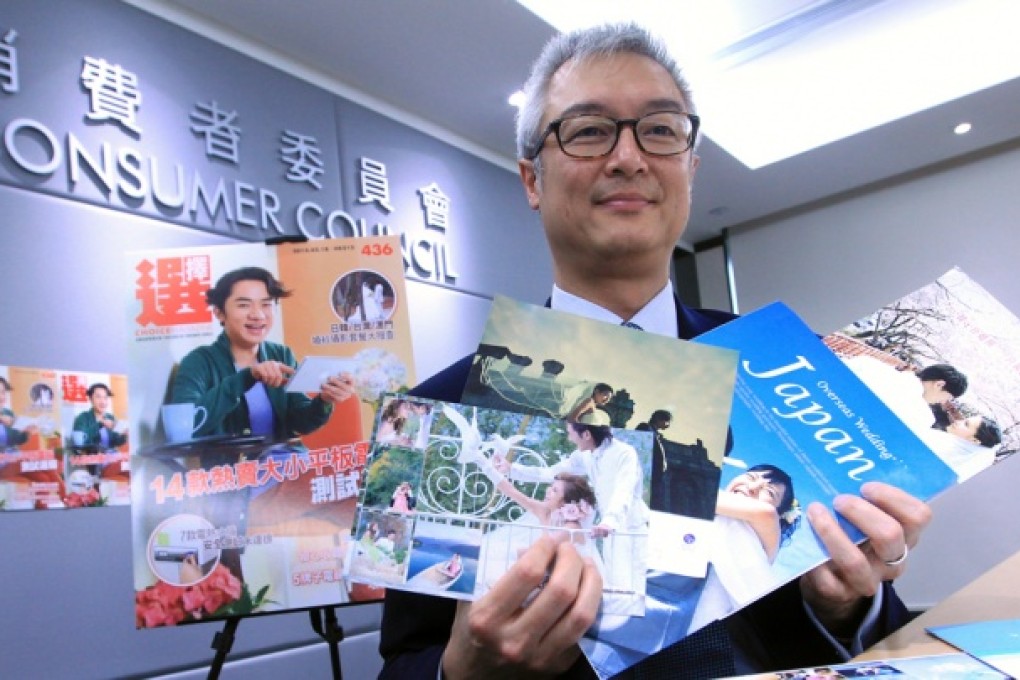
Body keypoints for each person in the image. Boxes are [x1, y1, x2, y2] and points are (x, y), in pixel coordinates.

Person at [380, 23, 930, 679]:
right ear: (532, 179)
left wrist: (846, 606)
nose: (629, 158)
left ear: (690, 170)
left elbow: (880, 628)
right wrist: (464, 670)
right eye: (588, 131)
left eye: (661, 131)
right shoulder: (438, 411)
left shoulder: (784, 369)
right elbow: (405, 662)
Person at [170, 266, 356, 440]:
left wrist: (323, 400)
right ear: (219, 313)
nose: (258, 315)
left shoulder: (280, 353)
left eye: (266, 305)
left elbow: (301, 422)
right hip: (232, 471)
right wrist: (247, 377)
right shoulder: (199, 361)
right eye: (244, 305)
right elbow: (185, 429)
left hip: (286, 466)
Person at [687, 464, 800, 635]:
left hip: (706, 622)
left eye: (769, 492)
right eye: (751, 478)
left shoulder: (766, 520)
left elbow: (694, 494)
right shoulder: (708, 513)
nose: (752, 487)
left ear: (781, 515)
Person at [71, 383, 128, 449]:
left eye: (105, 397)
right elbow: (79, 442)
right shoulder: (82, 418)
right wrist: (99, 425)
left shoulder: (110, 417)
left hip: (110, 457)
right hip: (90, 458)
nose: (103, 401)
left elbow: (115, 441)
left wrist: (124, 435)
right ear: (91, 399)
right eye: (98, 397)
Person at [636, 409, 672, 509]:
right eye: (667, 421)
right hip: (646, 472)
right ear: (659, 419)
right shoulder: (645, 427)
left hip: (654, 474)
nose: (668, 424)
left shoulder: (657, 434)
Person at [916, 364, 968, 430]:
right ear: (939, 385)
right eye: (948, 398)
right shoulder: (922, 414)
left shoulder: (901, 379)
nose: (943, 402)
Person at [0, 376, 34, 449]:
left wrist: (27, 431)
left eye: (3, 392)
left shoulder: (8, 413)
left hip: (9, 458)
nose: (1, 397)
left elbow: (19, 439)